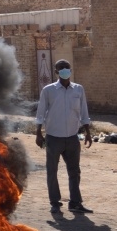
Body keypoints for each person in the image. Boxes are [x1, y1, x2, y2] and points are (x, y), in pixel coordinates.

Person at [35, 58, 93, 214]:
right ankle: (55, 202)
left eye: (67, 67)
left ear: (70, 70)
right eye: (61, 68)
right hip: (53, 137)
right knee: (52, 170)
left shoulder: (78, 89)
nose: (65, 70)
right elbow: (41, 112)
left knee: (74, 171)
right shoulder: (48, 90)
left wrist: (88, 132)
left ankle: (75, 202)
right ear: (56, 72)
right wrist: (38, 133)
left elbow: (84, 111)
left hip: (73, 137)